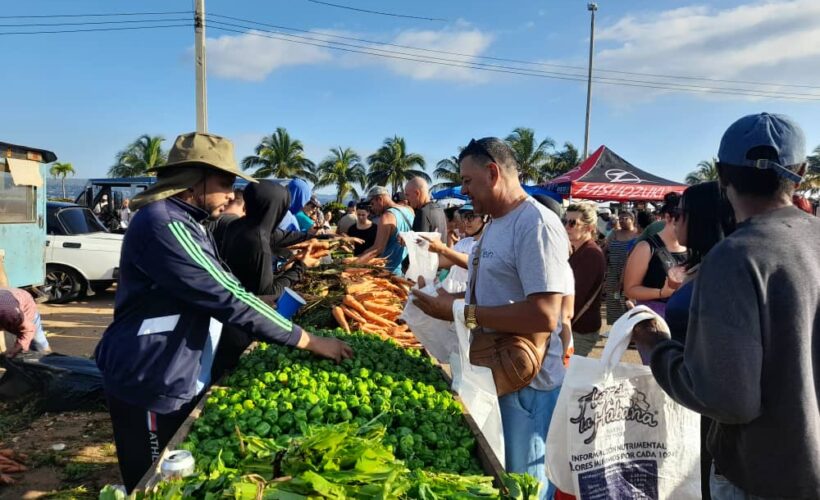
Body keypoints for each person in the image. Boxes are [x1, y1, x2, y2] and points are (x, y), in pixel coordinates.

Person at [93, 132, 353, 493]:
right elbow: (228, 295)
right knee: (153, 481)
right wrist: (308, 340)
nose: (233, 195)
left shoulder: (187, 221)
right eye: (225, 183)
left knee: (175, 474)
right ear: (193, 179)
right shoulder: (164, 223)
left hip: (172, 367)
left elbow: (229, 287)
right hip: (149, 375)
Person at [633, 113, 820, 500]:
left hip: (763, 476)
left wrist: (656, 349)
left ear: (720, 174)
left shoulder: (734, 257)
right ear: (800, 172)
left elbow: (728, 399)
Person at [410, 137, 571, 499]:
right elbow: (493, 295)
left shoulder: (536, 225)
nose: (465, 192)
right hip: (496, 369)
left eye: (467, 181)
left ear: (493, 172)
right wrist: (441, 300)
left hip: (527, 381)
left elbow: (545, 314)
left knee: (524, 484)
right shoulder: (497, 224)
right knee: (501, 474)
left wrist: (460, 312)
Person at [660, 181, 735, 500]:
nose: (674, 219)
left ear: (701, 218)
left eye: (679, 212)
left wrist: (653, 342)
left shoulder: (725, 271)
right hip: (688, 396)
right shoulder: (704, 265)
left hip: (708, 403)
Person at [214, 181, 308, 380]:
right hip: (241, 327)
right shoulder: (258, 244)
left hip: (225, 316)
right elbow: (269, 294)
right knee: (227, 374)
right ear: (277, 209)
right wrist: (302, 267)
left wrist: (318, 236)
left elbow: (278, 236)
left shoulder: (238, 225)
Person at [622, 194, 687, 320]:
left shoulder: (691, 247)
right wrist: (661, 293)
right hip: (655, 322)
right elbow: (630, 289)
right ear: (668, 217)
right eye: (685, 221)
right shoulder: (646, 247)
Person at [564, 203, 605, 357]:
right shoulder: (579, 250)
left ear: (589, 228)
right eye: (565, 221)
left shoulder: (591, 254)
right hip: (575, 327)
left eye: (573, 222)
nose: (567, 226)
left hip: (580, 330)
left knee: (568, 377)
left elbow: (576, 296)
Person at [356, 186, 414, 275]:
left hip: (389, 272)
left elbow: (377, 249)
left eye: (372, 204)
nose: (372, 208)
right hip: (405, 270)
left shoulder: (386, 217)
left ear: (380, 199)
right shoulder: (409, 210)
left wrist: (354, 263)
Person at [421, 204, 486, 272]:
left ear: (485, 218)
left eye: (470, 217)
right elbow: (440, 262)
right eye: (464, 217)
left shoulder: (489, 244)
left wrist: (442, 249)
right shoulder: (464, 242)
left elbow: (471, 262)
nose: (466, 221)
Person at [603, 210, 639, 325]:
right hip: (613, 272)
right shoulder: (614, 233)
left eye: (625, 218)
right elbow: (605, 249)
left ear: (632, 220)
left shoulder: (638, 234)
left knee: (629, 301)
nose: (622, 221)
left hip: (631, 273)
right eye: (620, 219)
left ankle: (631, 328)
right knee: (614, 301)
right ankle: (616, 327)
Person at [0, 287, 51, 357]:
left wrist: (17, 347)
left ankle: (51, 363)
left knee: (39, 346)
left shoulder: (10, 313)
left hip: (25, 304)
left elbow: (29, 330)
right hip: (8, 298)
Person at [404, 177, 448, 244]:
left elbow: (419, 246)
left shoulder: (423, 213)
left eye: (407, 195)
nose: (406, 199)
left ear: (417, 193)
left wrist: (405, 240)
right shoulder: (439, 209)